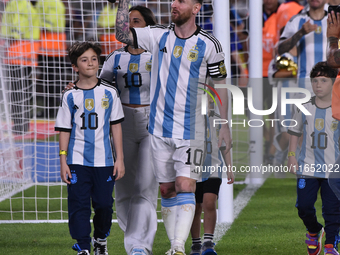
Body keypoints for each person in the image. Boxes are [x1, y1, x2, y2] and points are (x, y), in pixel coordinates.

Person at [115, 0, 231, 254]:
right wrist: (123, 4)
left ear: (197, 8)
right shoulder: (158, 35)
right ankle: (174, 244)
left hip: (192, 130)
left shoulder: (210, 45)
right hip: (158, 128)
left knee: (185, 184)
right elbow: (122, 34)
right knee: (166, 189)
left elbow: (221, 85)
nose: (174, 4)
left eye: (182, 1)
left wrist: (224, 125)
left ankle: (178, 247)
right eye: (173, 0)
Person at [55, 41, 125, 255]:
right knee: (79, 204)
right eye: (84, 60)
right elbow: (64, 129)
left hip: (104, 160)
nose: (90, 63)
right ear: (75, 66)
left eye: (94, 59)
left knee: (104, 204)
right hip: (76, 160)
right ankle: (83, 246)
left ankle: (100, 239)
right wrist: (63, 161)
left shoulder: (110, 92)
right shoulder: (69, 95)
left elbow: (116, 127)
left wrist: (119, 158)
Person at [100, 6, 158, 255]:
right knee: (122, 188)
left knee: (145, 185)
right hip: (122, 122)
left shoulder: (158, 55)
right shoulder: (115, 58)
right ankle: (135, 238)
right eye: (128, 21)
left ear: (148, 26)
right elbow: (101, 88)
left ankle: (139, 246)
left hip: (150, 123)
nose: (131, 25)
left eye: (137, 21)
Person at [287, 61, 340, 255]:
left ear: (334, 82)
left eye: (324, 80)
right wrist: (291, 156)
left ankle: (330, 245)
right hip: (307, 167)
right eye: (315, 80)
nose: (318, 85)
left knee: (333, 209)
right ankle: (314, 230)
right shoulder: (303, 106)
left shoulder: (339, 108)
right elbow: (294, 132)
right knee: (304, 206)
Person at [189, 99, 234, 255]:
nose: (207, 103)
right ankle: (195, 243)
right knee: (195, 206)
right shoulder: (189, 118)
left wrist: (229, 168)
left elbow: (224, 146)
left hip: (214, 167)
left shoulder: (219, 120)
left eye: (210, 101)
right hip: (193, 169)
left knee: (209, 202)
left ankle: (208, 242)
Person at [0, 0, 40, 134]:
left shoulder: (20, 4)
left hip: (19, 52)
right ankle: (20, 124)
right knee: (20, 91)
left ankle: (20, 125)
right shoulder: (19, 4)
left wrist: (10, 38)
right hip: (20, 53)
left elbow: (18, 27)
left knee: (18, 91)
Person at [278, 0, 328, 94]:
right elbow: (281, 49)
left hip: (330, 87)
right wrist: (300, 33)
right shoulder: (296, 21)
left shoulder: (335, 20)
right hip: (304, 87)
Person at [35, 0, 68, 118]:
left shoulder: (51, 3)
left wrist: (34, 24)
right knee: (50, 82)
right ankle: (50, 110)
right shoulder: (52, 3)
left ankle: (53, 110)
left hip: (50, 48)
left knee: (52, 82)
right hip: (50, 47)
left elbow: (50, 23)